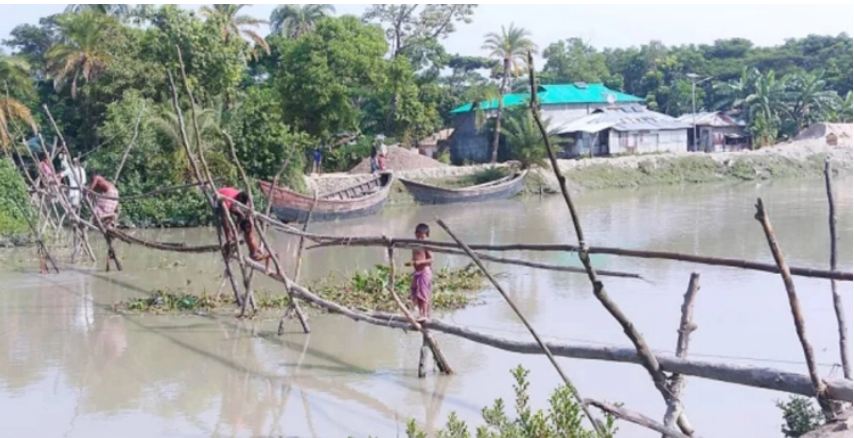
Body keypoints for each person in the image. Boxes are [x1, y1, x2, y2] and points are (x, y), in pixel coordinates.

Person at [216, 187, 266, 261]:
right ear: (239, 198)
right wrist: (229, 237)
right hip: (219, 200)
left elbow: (248, 212)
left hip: (229, 199)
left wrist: (248, 215)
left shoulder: (241, 196)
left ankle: (235, 232)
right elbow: (225, 220)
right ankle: (230, 238)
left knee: (241, 215)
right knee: (226, 221)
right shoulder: (229, 200)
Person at [408, 223, 433, 322]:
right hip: (417, 271)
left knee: (423, 293)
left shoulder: (426, 245)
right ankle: (420, 313)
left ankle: (425, 315)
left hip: (424, 271)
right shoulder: (415, 246)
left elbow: (431, 259)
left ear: (427, 235)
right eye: (418, 236)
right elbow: (415, 257)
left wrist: (419, 262)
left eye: (422, 237)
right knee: (415, 291)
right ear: (415, 234)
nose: (420, 239)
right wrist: (412, 262)